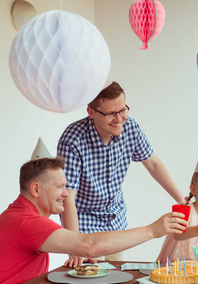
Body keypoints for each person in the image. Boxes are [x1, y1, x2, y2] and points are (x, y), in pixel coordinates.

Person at [0, 158, 187, 284]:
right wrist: (153, 230)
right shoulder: (26, 221)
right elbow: (89, 246)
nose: (66, 193)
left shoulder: (16, 214)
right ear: (35, 189)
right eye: (59, 187)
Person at [57, 81, 184, 266]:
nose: (119, 119)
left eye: (123, 110)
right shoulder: (73, 140)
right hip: (84, 224)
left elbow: (154, 164)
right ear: (91, 112)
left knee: (116, 280)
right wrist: (75, 245)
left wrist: (182, 200)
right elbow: (68, 198)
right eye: (110, 114)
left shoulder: (130, 128)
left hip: (116, 221)